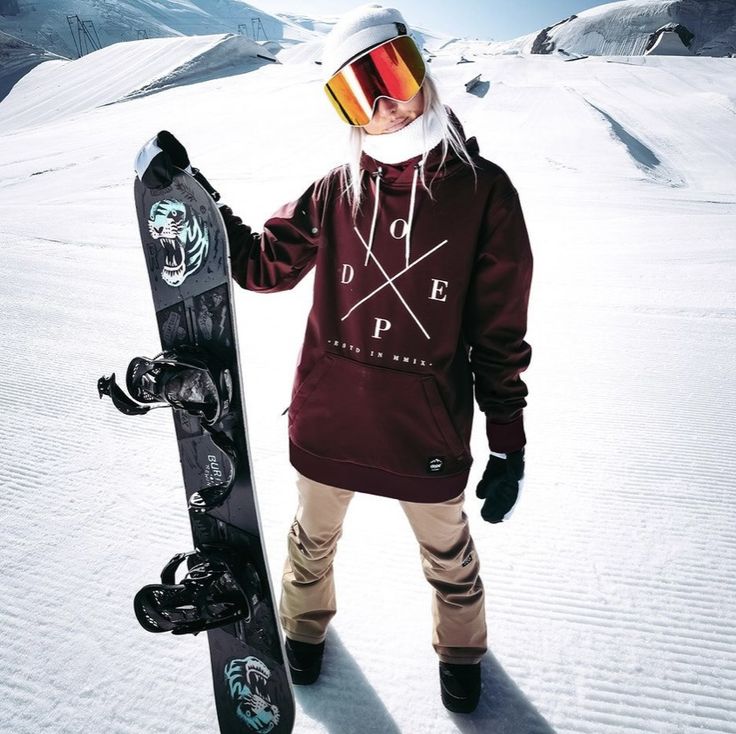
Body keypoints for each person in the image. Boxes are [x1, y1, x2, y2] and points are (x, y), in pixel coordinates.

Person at [134, 3, 532, 715]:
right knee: (309, 544)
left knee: (451, 565)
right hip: (330, 425)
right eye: (357, 90)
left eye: (390, 72)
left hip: (425, 437)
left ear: (421, 70)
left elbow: (499, 335)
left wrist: (507, 442)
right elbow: (259, 267)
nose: (381, 103)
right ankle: (304, 633)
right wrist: (199, 198)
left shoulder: (485, 193)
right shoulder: (335, 191)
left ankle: (462, 654)